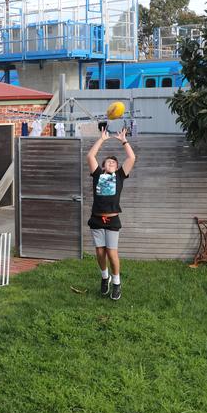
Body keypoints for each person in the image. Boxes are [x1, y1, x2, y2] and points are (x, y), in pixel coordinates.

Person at [85, 127, 136, 301]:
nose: (111, 164)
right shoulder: (98, 174)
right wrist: (102, 139)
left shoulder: (120, 176)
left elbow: (132, 158)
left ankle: (116, 282)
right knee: (100, 252)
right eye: (108, 162)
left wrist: (123, 140)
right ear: (103, 166)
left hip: (112, 220)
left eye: (114, 163)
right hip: (97, 219)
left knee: (111, 253)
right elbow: (90, 156)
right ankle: (104, 277)